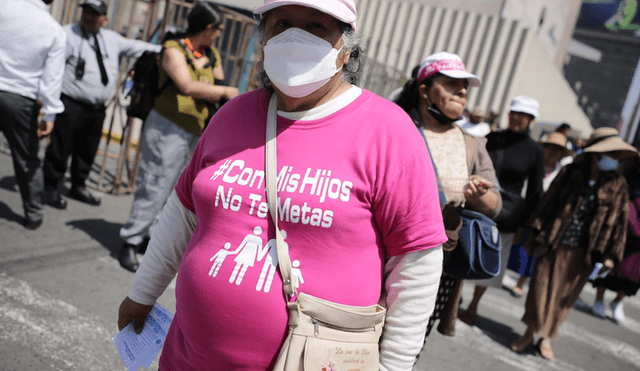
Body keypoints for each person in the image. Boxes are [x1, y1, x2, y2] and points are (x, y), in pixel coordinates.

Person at [116, 0, 447, 369]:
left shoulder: (388, 132)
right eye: (282, 23)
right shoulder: (233, 114)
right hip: (186, 357)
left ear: (347, 48)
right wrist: (142, 293)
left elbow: (416, 261)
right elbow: (182, 213)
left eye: (316, 26)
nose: (295, 37)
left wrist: (393, 366)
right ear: (264, 37)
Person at [117, 1, 239, 273]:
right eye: (217, 29)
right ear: (207, 27)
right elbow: (186, 85)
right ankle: (131, 238)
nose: (218, 34)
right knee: (153, 181)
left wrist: (220, 91)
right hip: (168, 126)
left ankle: (150, 236)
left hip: (195, 129)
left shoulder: (211, 54)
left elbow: (217, 84)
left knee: (175, 187)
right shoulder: (174, 49)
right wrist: (221, 92)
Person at [393, 52, 501, 339]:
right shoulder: (394, 128)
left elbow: (495, 206)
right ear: (425, 90)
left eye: (464, 86)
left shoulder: (472, 144)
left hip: (439, 269)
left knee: (410, 342)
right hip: (386, 256)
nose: (462, 91)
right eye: (452, 83)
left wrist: (476, 193)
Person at [510, 127, 635, 360]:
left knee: (566, 296)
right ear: (595, 153)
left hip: (587, 250)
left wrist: (610, 255)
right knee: (540, 288)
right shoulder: (570, 172)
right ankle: (529, 332)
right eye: (610, 154)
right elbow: (547, 203)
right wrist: (532, 231)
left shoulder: (618, 183)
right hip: (553, 241)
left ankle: (545, 337)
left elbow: (619, 223)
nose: (613, 160)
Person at [42, 0, 162, 209]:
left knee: (87, 149)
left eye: (94, 14)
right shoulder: (66, 34)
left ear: (104, 19)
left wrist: (171, 49)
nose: (88, 17)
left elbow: (138, 47)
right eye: (86, 12)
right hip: (70, 103)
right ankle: (50, 187)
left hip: (97, 109)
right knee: (60, 148)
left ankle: (78, 185)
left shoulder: (111, 39)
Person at [461, 95, 545, 326]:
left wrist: (523, 225)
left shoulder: (535, 150)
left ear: (531, 120)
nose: (518, 119)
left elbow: (535, 191)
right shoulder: (492, 138)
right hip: (475, 202)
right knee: (463, 249)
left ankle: (474, 304)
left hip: (507, 215)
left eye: (524, 116)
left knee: (490, 260)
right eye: (515, 114)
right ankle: (455, 296)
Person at [0, 0, 67, 230]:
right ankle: (34, 214)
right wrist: (49, 113)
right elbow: (52, 79)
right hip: (20, 99)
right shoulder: (53, 29)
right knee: (26, 158)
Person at [508, 132, 573, 298]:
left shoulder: (563, 172)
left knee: (532, 251)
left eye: (558, 149)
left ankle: (521, 283)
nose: (553, 152)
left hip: (543, 218)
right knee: (513, 244)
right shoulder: (532, 164)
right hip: (523, 211)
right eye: (550, 147)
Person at [591, 153, 640, 322]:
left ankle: (618, 301)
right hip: (625, 223)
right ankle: (598, 299)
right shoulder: (630, 170)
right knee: (610, 264)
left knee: (634, 271)